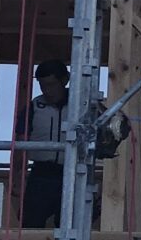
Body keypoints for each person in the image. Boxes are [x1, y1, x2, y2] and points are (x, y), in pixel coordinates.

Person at [18, 58, 129, 229]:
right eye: (42, 85)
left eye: (51, 84)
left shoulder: (84, 106)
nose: (47, 90)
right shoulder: (34, 107)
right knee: (30, 223)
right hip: (41, 174)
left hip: (76, 172)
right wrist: (18, 177)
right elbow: (19, 143)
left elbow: (118, 126)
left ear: (64, 80)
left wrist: (105, 146)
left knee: (73, 226)